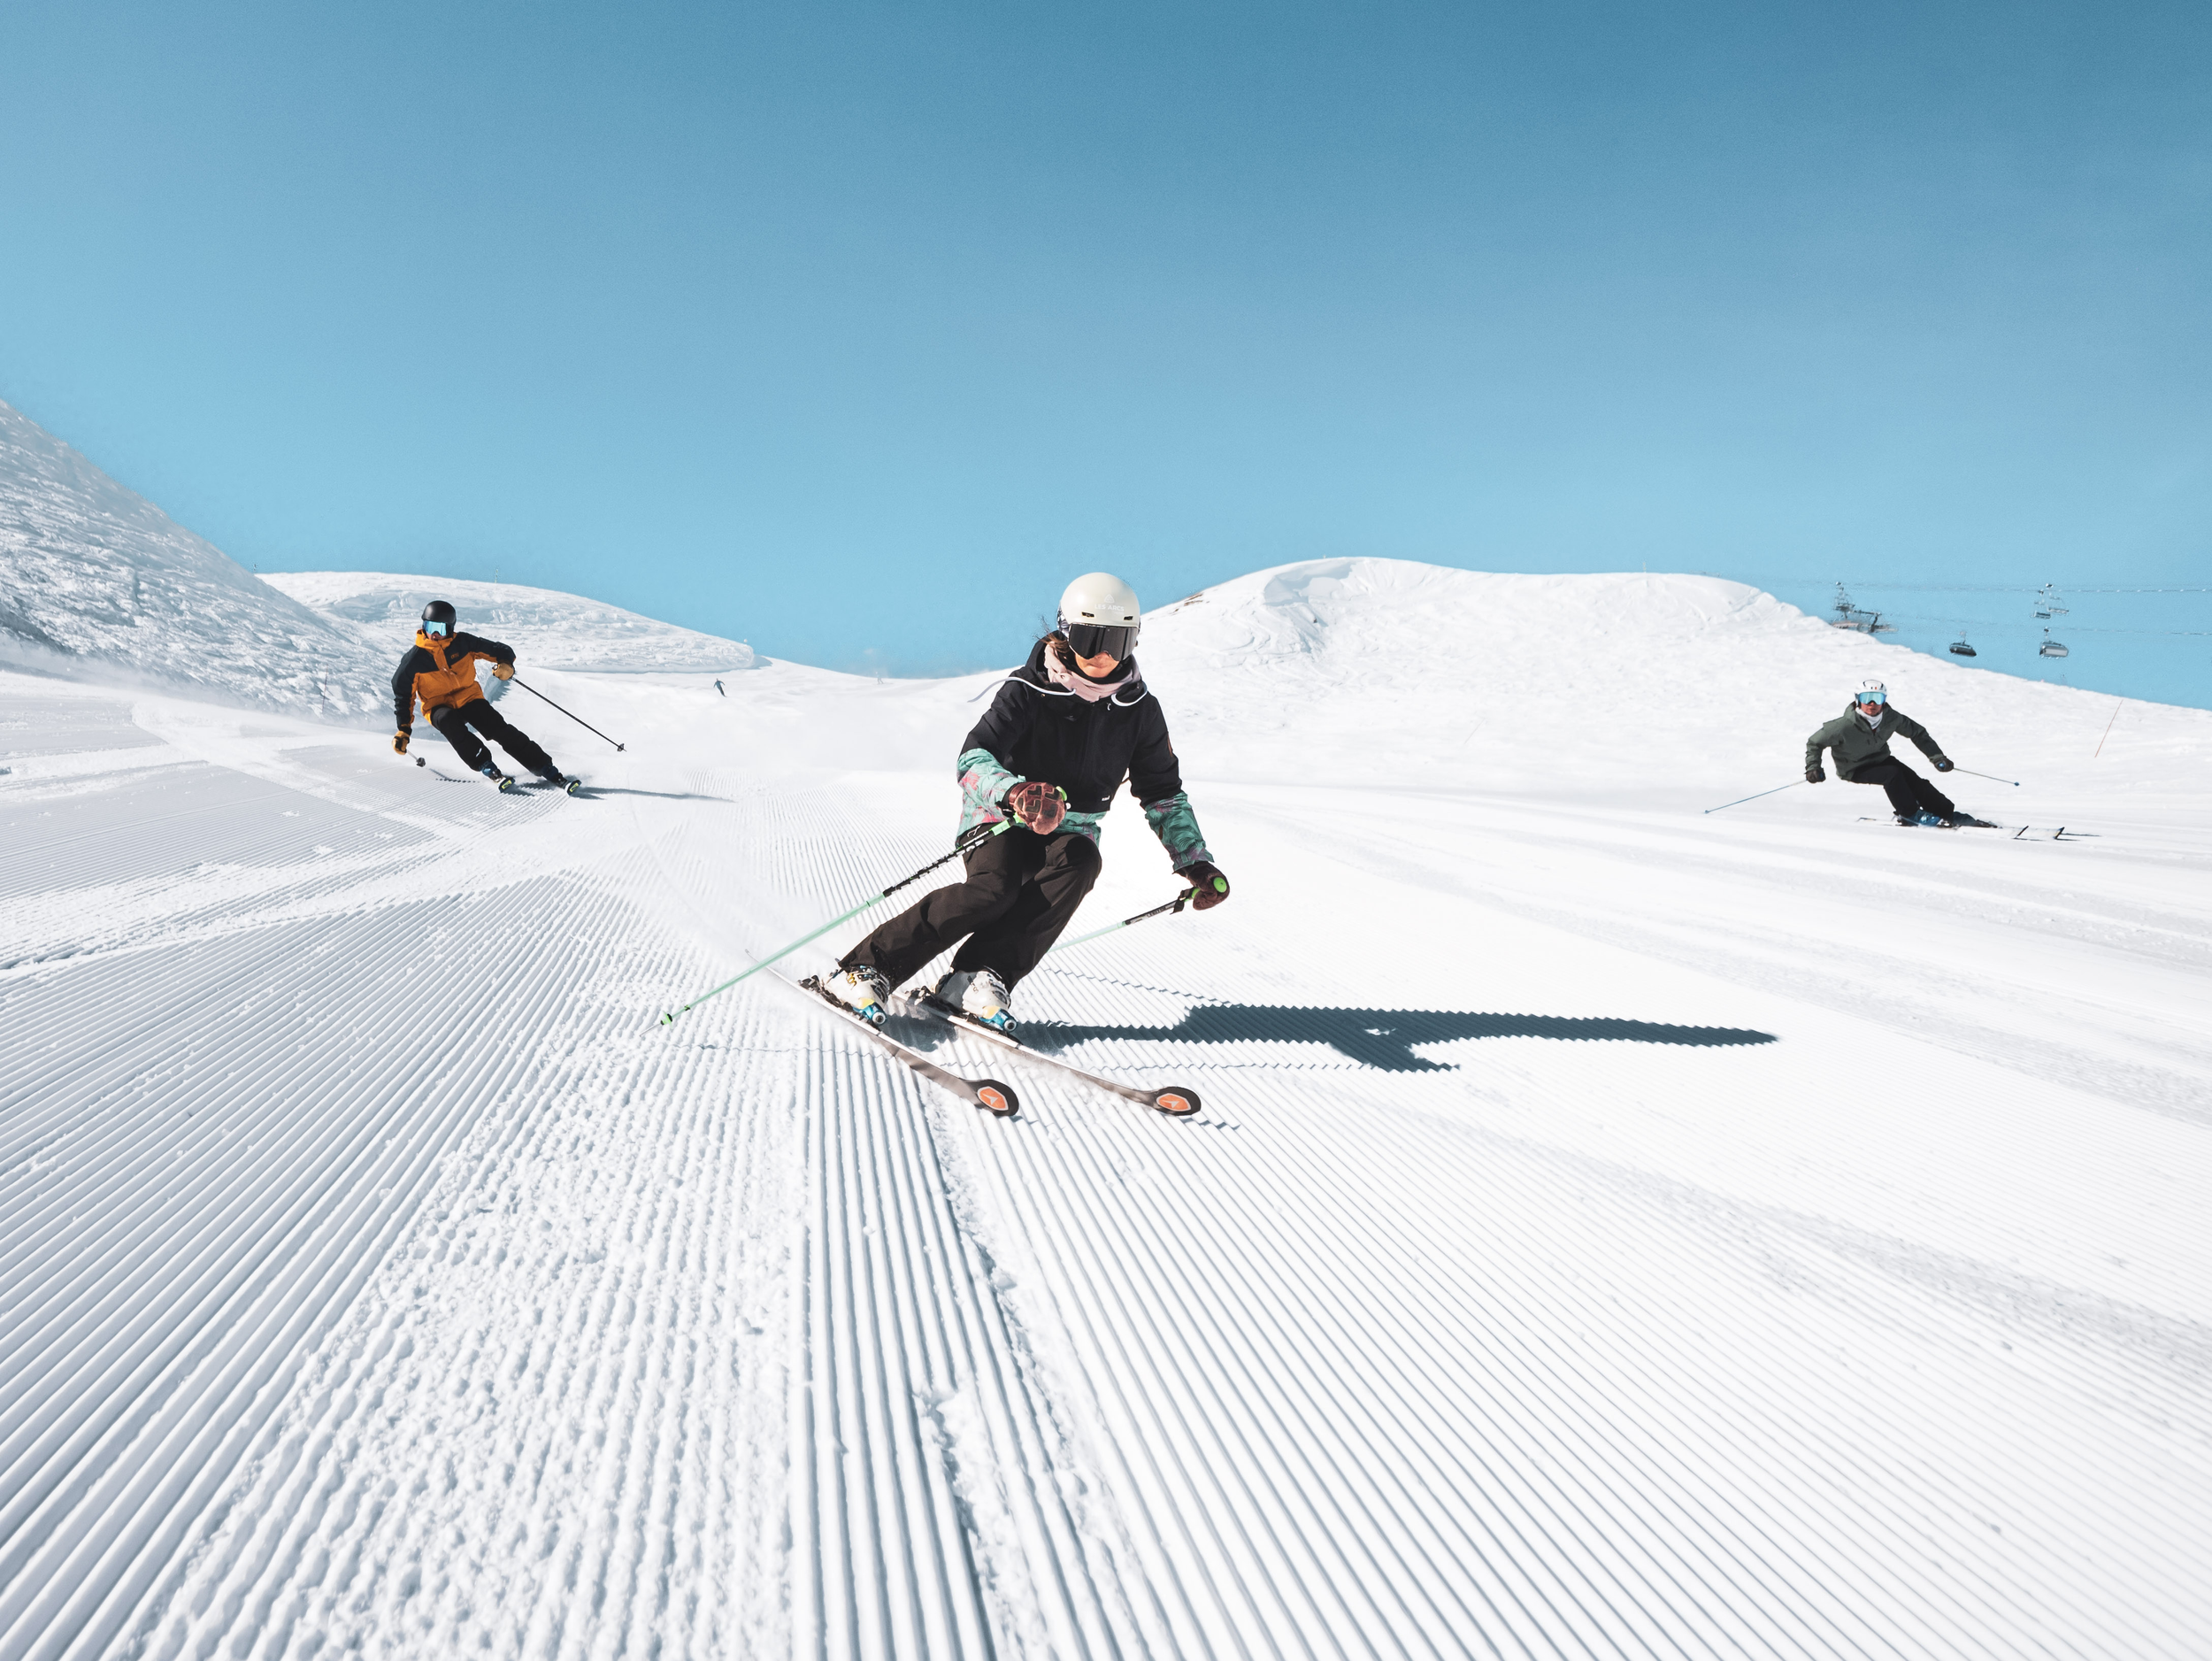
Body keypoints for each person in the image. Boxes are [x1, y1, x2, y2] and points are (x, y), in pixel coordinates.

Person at [823, 572, 1230, 1033]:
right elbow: (973, 758)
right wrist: (1014, 792)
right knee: (993, 891)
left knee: (1081, 863)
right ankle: (864, 968)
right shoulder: (1029, 689)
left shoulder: (1139, 711)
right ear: (1065, 631)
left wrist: (1194, 860)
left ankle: (976, 977)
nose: (1101, 655)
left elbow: (1163, 794)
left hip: (1070, 831)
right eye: (1090, 637)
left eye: (1115, 643)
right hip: (1001, 820)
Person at [391, 600, 569, 791]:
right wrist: (403, 730)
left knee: (498, 729)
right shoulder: (414, 661)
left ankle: (543, 766)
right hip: (438, 706)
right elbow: (403, 696)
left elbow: (501, 650)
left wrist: (506, 664)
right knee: (448, 721)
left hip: (469, 698)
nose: (434, 635)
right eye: (429, 627)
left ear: (450, 629)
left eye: (440, 629)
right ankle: (485, 764)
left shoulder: (463, 643)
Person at [1804, 681, 1984, 827]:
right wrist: (1813, 767)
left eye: (1877, 698)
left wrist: (1937, 757)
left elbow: (1917, 733)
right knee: (1893, 775)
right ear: (1858, 699)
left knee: (1913, 780)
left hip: (1881, 760)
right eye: (1867, 698)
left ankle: (1946, 814)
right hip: (1855, 768)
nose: (1872, 704)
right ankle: (1910, 814)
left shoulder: (1891, 718)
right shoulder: (1842, 726)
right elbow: (1815, 742)